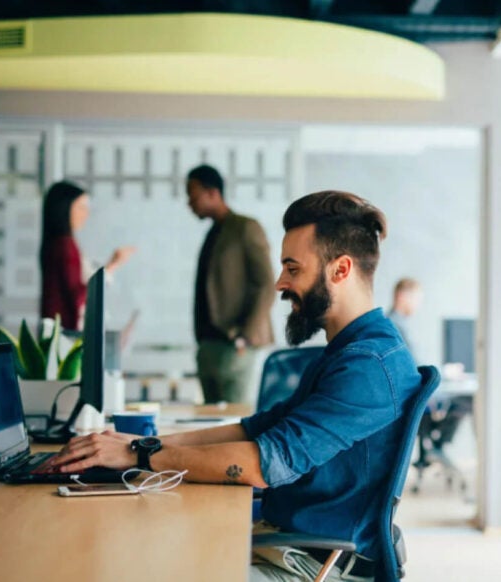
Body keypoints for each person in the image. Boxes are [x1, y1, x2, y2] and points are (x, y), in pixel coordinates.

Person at [49, 190, 421, 581]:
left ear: (340, 270)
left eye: (293, 269)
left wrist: (139, 456)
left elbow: (264, 464)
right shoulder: (349, 349)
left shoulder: (369, 366)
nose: (279, 283)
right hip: (288, 546)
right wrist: (135, 443)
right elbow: (254, 429)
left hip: (312, 566)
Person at [186, 164, 275, 405]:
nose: (189, 202)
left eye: (192, 194)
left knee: (234, 422)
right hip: (209, 345)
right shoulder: (214, 232)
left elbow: (266, 284)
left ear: (212, 192)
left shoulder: (245, 228)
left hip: (234, 345)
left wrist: (244, 336)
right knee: (208, 424)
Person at [40, 181, 135, 330]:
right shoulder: (65, 246)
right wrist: (112, 266)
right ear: (64, 209)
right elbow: (78, 297)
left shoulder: (58, 244)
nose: (86, 214)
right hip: (67, 335)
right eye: (81, 207)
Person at [387, 277, 422, 359]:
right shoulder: (393, 325)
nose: (418, 305)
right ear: (401, 296)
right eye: (416, 299)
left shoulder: (397, 323)